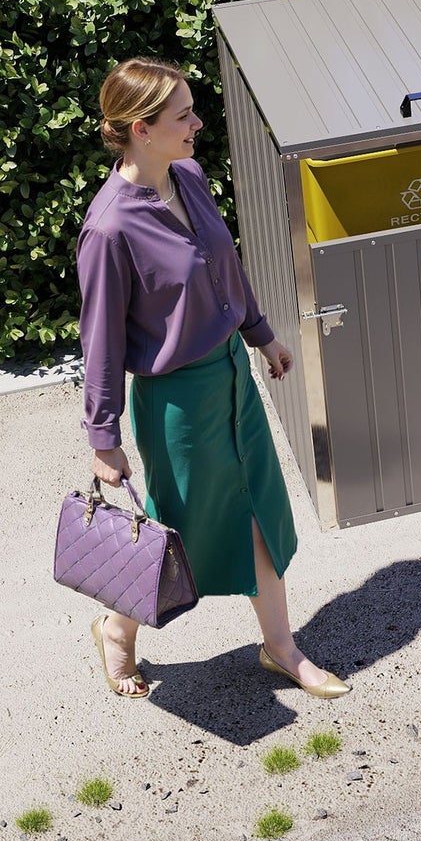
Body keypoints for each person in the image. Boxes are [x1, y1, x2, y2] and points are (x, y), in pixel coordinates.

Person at [78, 57, 350, 698]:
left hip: (232, 378)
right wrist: (103, 436)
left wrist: (259, 333)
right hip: (177, 402)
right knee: (174, 532)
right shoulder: (110, 227)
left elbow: (224, 268)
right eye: (183, 116)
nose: (198, 123)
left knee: (259, 506)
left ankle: (281, 647)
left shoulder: (190, 177)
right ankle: (117, 631)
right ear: (142, 128)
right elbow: (100, 339)